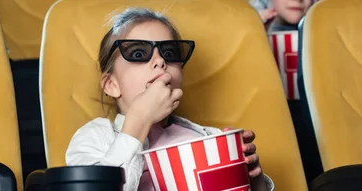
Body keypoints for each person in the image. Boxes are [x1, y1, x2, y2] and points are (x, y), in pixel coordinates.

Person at [65, 7, 274, 191]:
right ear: (111, 85)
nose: (160, 61)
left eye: (169, 52)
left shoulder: (208, 138)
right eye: (138, 53)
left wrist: (253, 182)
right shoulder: (94, 138)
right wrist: (139, 121)